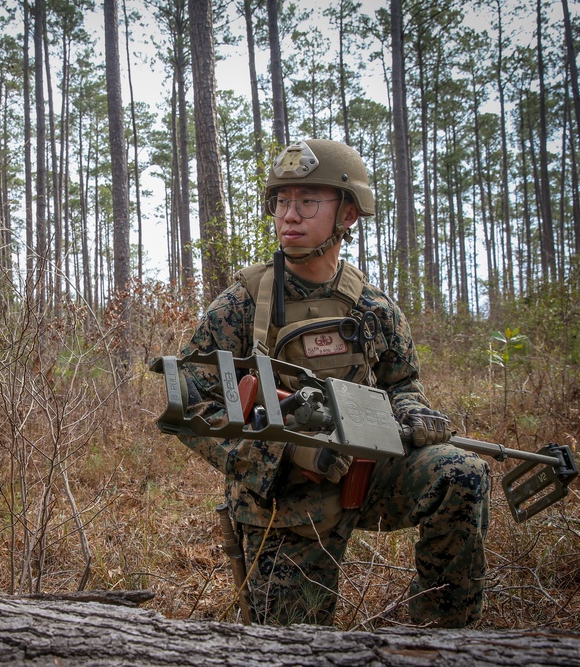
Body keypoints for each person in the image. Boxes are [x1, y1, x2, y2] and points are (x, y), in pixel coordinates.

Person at [175, 138, 490, 628]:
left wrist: (411, 414)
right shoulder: (240, 305)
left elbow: (403, 383)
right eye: (281, 201)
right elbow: (190, 407)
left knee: (461, 472)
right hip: (285, 500)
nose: (289, 215)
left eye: (307, 201)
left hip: (367, 477)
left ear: (348, 214)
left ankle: (443, 638)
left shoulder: (373, 307)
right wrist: (291, 453)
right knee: (291, 644)